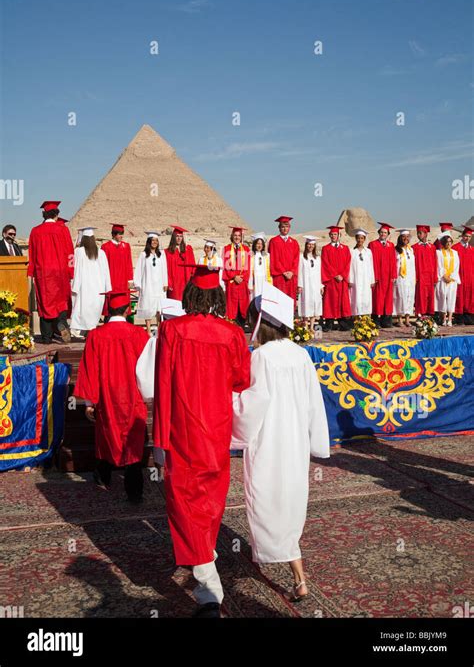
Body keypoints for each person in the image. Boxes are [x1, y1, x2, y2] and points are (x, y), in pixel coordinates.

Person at [152, 264, 250, 618]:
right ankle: (205, 554)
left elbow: (163, 384)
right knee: (211, 494)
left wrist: (159, 437)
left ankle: (207, 577)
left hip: (181, 426)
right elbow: (241, 379)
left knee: (183, 499)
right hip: (217, 427)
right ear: (219, 296)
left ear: (190, 295)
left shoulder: (172, 330)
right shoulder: (233, 333)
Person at [232, 283, 330, 602]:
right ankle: (297, 575)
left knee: (267, 501)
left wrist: (229, 403)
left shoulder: (260, 357)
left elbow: (252, 403)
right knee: (288, 501)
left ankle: (296, 572)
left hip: (269, 442)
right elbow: (315, 403)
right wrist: (316, 442)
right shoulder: (301, 355)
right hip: (294, 442)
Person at [74, 290, 149, 503]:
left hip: (107, 398)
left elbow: (90, 369)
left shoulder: (96, 336)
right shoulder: (139, 335)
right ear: (128, 309)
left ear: (108, 309)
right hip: (133, 397)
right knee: (133, 443)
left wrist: (90, 403)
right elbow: (148, 369)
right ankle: (134, 492)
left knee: (106, 437)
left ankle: (102, 478)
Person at [27, 201, 74, 344]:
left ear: (44, 214)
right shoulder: (62, 229)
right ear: (56, 215)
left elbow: (32, 254)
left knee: (45, 303)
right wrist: (70, 271)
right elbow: (70, 253)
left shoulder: (35, 231)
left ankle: (47, 337)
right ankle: (61, 324)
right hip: (60, 272)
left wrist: (32, 272)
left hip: (43, 274)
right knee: (61, 301)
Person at [70, 227, 111, 335]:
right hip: (98, 288)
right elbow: (106, 272)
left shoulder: (78, 252)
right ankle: (90, 331)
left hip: (84, 287)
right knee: (93, 311)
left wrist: (74, 285)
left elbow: (74, 269)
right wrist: (108, 288)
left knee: (83, 310)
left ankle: (85, 332)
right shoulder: (101, 253)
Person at [134, 231, 169, 336]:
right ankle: (148, 329)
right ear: (149, 242)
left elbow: (164, 269)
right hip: (148, 284)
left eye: (156, 241)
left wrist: (165, 282)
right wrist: (138, 284)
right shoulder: (143, 255)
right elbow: (139, 270)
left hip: (159, 285)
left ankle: (159, 327)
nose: (155, 242)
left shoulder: (161, 254)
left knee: (159, 307)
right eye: (153, 240)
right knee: (148, 306)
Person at [321, 226, 351, 332]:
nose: (334, 236)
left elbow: (348, 263)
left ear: (339, 236)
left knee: (342, 301)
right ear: (329, 236)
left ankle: (342, 323)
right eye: (332, 234)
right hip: (331, 280)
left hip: (342, 280)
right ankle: (328, 324)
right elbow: (325, 264)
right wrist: (335, 275)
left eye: (335, 234)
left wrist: (342, 275)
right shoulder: (326, 249)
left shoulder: (345, 248)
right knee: (330, 301)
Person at [101, 224, 133, 319]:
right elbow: (103, 266)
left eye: (122, 233)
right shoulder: (105, 247)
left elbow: (129, 263)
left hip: (123, 280)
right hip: (111, 280)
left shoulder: (126, 246)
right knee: (111, 303)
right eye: (120, 234)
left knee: (123, 302)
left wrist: (130, 280)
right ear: (114, 234)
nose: (121, 236)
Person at [369, 222, 397, 328]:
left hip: (388, 277)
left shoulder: (391, 245)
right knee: (377, 299)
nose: (383, 234)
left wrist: (394, 275)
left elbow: (393, 262)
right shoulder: (373, 244)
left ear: (388, 234)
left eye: (385, 232)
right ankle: (375, 321)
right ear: (378, 233)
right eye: (381, 232)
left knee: (387, 299)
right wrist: (373, 276)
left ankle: (386, 321)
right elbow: (371, 262)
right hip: (378, 276)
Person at [222, 226, 251, 327]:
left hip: (242, 283)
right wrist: (234, 276)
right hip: (232, 283)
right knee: (231, 308)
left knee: (242, 307)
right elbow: (226, 266)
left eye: (239, 235)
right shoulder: (226, 249)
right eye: (235, 235)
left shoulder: (246, 249)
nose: (237, 237)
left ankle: (242, 327)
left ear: (241, 237)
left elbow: (247, 267)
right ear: (232, 236)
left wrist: (242, 278)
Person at [268, 216, 300, 303]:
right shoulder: (274, 241)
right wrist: (283, 272)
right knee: (279, 299)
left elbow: (296, 259)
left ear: (289, 227)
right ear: (279, 228)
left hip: (291, 277)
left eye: (287, 226)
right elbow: (274, 258)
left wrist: (292, 271)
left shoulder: (294, 242)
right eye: (282, 226)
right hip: (279, 277)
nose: (285, 228)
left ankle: (290, 317)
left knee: (290, 299)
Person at [297, 236, 323, 332]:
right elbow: (299, 271)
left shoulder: (318, 258)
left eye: (312, 245)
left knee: (314, 304)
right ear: (306, 245)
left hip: (315, 285)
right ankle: (305, 326)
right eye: (309, 244)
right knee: (306, 304)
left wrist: (321, 286)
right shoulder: (302, 257)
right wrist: (300, 285)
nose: (310, 246)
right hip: (306, 284)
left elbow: (320, 272)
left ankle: (312, 327)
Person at [435, 232, 461, 327]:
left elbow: (456, 266)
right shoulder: (438, 252)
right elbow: (438, 265)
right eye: (447, 242)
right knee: (442, 298)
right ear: (443, 242)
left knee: (451, 298)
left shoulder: (455, 253)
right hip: (442, 279)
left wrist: (452, 277)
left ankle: (450, 319)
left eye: (450, 242)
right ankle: (443, 318)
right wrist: (444, 275)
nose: (449, 243)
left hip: (452, 280)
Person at [165, 224, 195, 301]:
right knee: (174, 304)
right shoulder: (167, 252)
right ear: (173, 237)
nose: (179, 238)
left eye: (180, 236)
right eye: (177, 236)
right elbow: (166, 269)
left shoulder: (187, 250)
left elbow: (193, 266)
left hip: (185, 282)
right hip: (174, 284)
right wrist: (169, 283)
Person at [348, 229, 375, 317]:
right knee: (356, 298)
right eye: (358, 238)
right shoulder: (352, 252)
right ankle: (356, 318)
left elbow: (371, 266)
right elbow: (350, 267)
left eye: (362, 238)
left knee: (366, 297)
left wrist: (372, 280)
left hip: (366, 279)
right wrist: (350, 280)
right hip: (355, 279)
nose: (360, 240)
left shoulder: (368, 252)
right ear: (356, 239)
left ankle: (366, 318)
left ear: (364, 239)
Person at [412, 225, 437, 317]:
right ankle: (420, 315)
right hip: (420, 275)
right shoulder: (414, 247)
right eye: (418, 233)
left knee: (430, 296)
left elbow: (435, 263)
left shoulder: (432, 247)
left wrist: (435, 278)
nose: (419, 235)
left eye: (420, 233)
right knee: (420, 296)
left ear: (426, 234)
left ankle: (429, 315)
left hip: (430, 276)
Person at [393, 229, 416, 327]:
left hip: (410, 277)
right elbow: (394, 264)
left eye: (407, 237)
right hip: (400, 277)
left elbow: (413, 265)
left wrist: (414, 277)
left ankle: (407, 319)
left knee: (409, 297)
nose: (405, 238)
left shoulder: (411, 250)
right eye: (403, 236)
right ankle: (400, 319)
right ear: (400, 238)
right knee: (400, 297)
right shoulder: (396, 250)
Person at [453, 226, 474, 326]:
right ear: (462, 236)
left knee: (470, 297)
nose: (467, 238)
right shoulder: (455, 248)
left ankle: (469, 316)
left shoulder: (472, 250)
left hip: (470, 278)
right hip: (460, 277)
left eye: (469, 237)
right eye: (465, 236)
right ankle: (459, 317)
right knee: (459, 297)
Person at [249, 233, 272, 300]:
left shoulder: (267, 256)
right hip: (255, 280)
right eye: (258, 243)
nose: (259, 245)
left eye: (261, 244)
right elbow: (250, 271)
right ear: (255, 244)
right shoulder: (251, 255)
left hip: (264, 280)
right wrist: (250, 284)